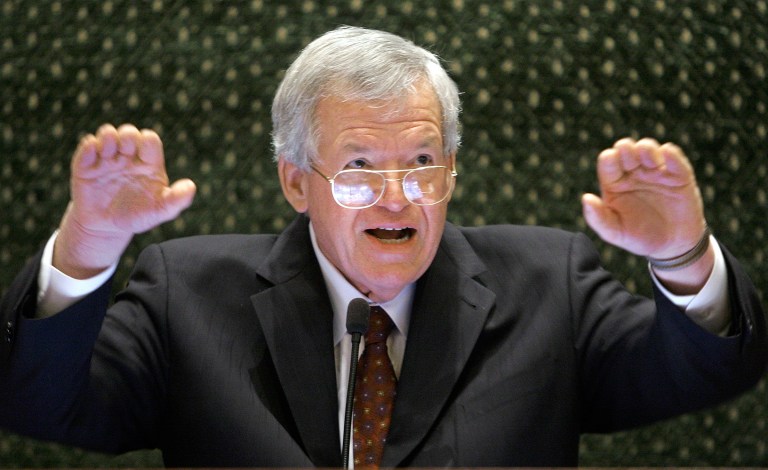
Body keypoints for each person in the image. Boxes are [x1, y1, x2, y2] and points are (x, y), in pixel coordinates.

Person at [0, 26, 765, 468]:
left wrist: (682, 258)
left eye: (424, 164)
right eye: (361, 169)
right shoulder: (185, 291)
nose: (398, 196)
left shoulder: (549, 282)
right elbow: (40, 406)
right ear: (297, 182)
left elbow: (694, 375)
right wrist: (87, 247)